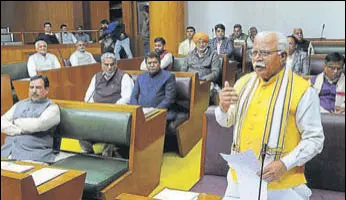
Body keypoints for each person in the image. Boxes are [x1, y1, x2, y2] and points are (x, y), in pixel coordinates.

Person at [216, 31, 324, 199]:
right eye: (254, 52)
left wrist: (284, 164)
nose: (257, 58)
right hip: (240, 179)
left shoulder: (303, 91)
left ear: (283, 56)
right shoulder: (243, 83)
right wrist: (222, 107)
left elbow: (315, 140)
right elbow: (226, 121)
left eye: (264, 53)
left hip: (280, 184)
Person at [82, 52, 134, 156]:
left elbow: (127, 98)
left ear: (116, 64)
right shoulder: (97, 76)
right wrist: (95, 108)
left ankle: (107, 155)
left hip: (115, 113)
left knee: (110, 124)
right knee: (80, 123)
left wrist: (112, 109)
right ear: (101, 65)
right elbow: (88, 97)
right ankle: (88, 151)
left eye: (112, 64)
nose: (109, 68)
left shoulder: (124, 77)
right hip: (97, 112)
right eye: (106, 65)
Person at [1, 75, 60, 163]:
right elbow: (2, 122)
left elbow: (37, 125)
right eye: (31, 87)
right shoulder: (19, 104)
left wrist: (14, 122)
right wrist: (20, 131)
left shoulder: (52, 108)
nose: (34, 91)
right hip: (7, 152)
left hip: (34, 155)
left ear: (47, 90)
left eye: (38, 87)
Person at [130, 51, 177, 148]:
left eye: (155, 62)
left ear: (159, 63)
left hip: (160, 112)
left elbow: (169, 99)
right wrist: (137, 109)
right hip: (141, 112)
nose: (152, 65)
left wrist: (152, 111)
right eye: (149, 63)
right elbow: (133, 96)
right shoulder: (140, 77)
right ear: (146, 65)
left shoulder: (169, 76)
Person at [181, 32, 221, 104]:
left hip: (205, 82)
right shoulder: (190, 54)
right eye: (199, 42)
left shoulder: (213, 54)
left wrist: (203, 79)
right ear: (195, 43)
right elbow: (183, 69)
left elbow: (216, 72)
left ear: (207, 43)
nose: (201, 45)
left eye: (204, 42)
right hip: (190, 81)